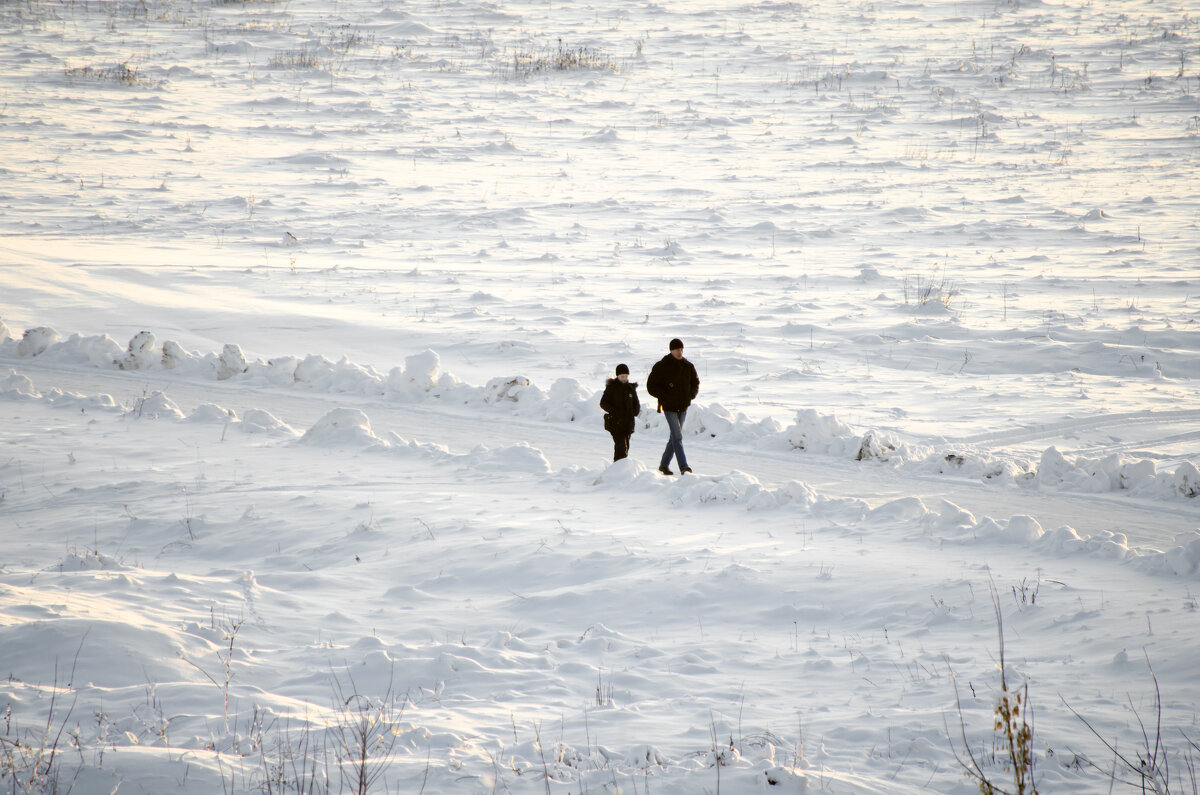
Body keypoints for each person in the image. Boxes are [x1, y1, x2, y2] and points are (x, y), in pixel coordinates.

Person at [645, 338, 699, 475]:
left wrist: (690, 395)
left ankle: (664, 465)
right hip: (669, 407)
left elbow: (695, 383)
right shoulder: (662, 366)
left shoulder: (688, 366)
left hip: (683, 406)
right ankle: (684, 467)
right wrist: (663, 395)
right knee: (678, 437)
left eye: (681, 349)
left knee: (674, 438)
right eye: (677, 349)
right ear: (671, 350)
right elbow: (651, 386)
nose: (680, 352)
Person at [599, 363, 640, 461]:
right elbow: (603, 403)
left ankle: (620, 468)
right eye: (622, 376)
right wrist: (614, 410)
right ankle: (618, 468)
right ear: (617, 376)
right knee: (620, 447)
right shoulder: (612, 387)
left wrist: (635, 411)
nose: (624, 378)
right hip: (616, 423)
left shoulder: (631, 388)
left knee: (626, 447)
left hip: (628, 423)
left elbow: (636, 403)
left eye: (626, 376)